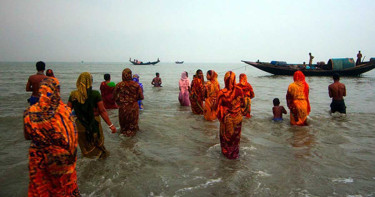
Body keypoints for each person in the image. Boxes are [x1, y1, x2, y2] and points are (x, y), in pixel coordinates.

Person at [23, 78, 80, 196]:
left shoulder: (29, 112)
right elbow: (71, 138)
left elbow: (27, 135)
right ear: (57, 91)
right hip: (60, 159)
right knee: (64, 188)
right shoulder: (64, 112)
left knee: (41, 189)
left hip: (38, 158)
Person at [68, 72, 116, 159]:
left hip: (80, 125)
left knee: (86, 149)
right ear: (90, 82)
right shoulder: (95, 94)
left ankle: (89, 169)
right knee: (99, 147)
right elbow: (102, 111)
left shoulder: (73, 95)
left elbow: (66, 112)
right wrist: (111, 125)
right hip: (94, 124)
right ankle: (101, 168)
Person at [217, 71, 244, 159]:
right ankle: (234, 155)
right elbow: (243, 104)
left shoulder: (221, 93)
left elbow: (215, 106)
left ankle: (226, 155)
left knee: (226, 138)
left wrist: (223, 111)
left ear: (225, 80)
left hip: (226, 119)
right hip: (238, 118)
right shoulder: (239, 90)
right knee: (235, 138)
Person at [114, 68, 144, 137]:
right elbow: (141, 97)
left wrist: (120, 102)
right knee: (133, 126)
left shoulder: (119, 85)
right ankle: (132, 142)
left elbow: (114, 97)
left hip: (123, 108)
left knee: (123, 127)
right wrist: (133, 99)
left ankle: (123, 142)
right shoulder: (136, 85)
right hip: (133, 108)